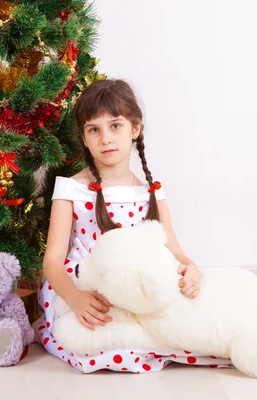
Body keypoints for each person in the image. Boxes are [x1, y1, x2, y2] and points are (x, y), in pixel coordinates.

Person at [34, 79, 232, 373]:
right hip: (87, 286)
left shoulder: (152, 192)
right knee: (107, 342)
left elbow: (175, 251)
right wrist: (76, 299)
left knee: (193, 322)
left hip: (135, 286)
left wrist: (192, 269)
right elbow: (52, 261)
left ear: (135, 129)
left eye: (115, 126)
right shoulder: (70, 189)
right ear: (84, 138)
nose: (106, 139)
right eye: (94, 130)